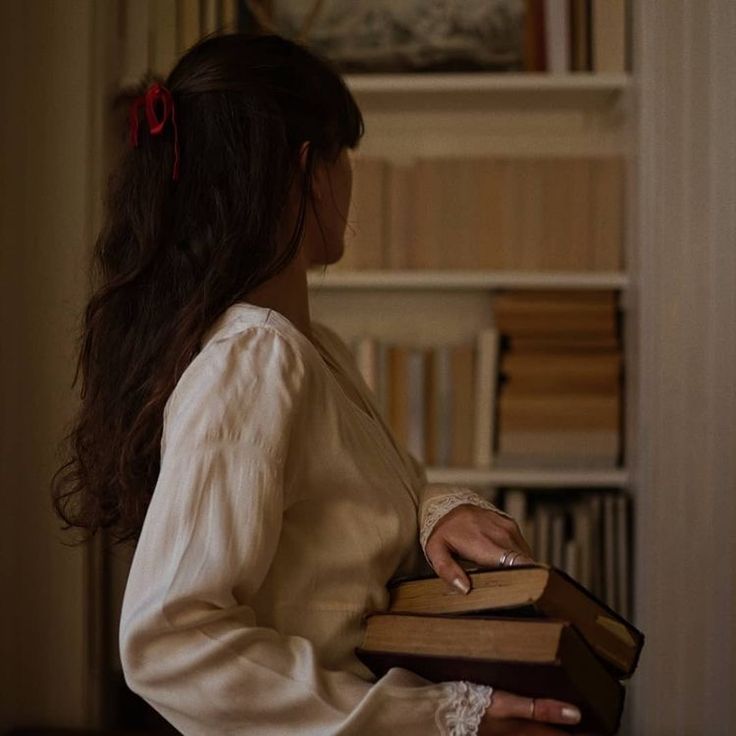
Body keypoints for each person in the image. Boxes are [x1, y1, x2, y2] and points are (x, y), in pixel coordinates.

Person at [52, 33, 589, 736]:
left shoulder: (309, 351)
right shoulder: (254, 361)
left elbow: (356, 509)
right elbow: (171, 644)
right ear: (310, 170)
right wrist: (440, 720)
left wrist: (438, 515)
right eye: (347, 156)